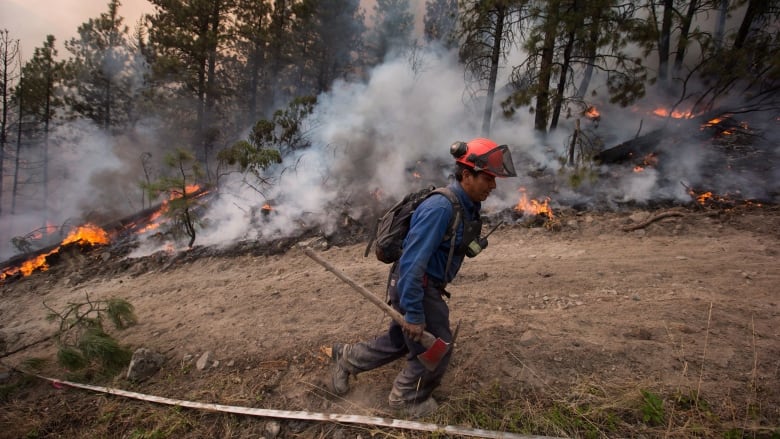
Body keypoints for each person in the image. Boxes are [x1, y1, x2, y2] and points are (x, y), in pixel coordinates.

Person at [330, 137, 517, 418]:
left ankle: (346, 358)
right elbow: (412, 264)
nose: (492, 186)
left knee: (398, 341)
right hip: (416, 285)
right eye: (488, 179)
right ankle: (406, 398)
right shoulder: (440, 208)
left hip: (417, 285)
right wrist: (415, 312)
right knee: (436, 349)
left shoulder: (465, 205)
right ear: (467, 175)